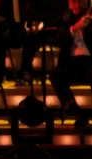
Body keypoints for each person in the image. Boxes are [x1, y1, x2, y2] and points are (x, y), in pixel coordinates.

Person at [50, 0, 92, 129]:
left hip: (89, 61)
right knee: (55, 75)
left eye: (80, 1)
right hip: (70, 63)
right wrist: (75, 28)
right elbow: (58, 38)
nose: (77, 5)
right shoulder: (65, 18)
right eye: (74, 1)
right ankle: (75, 111)